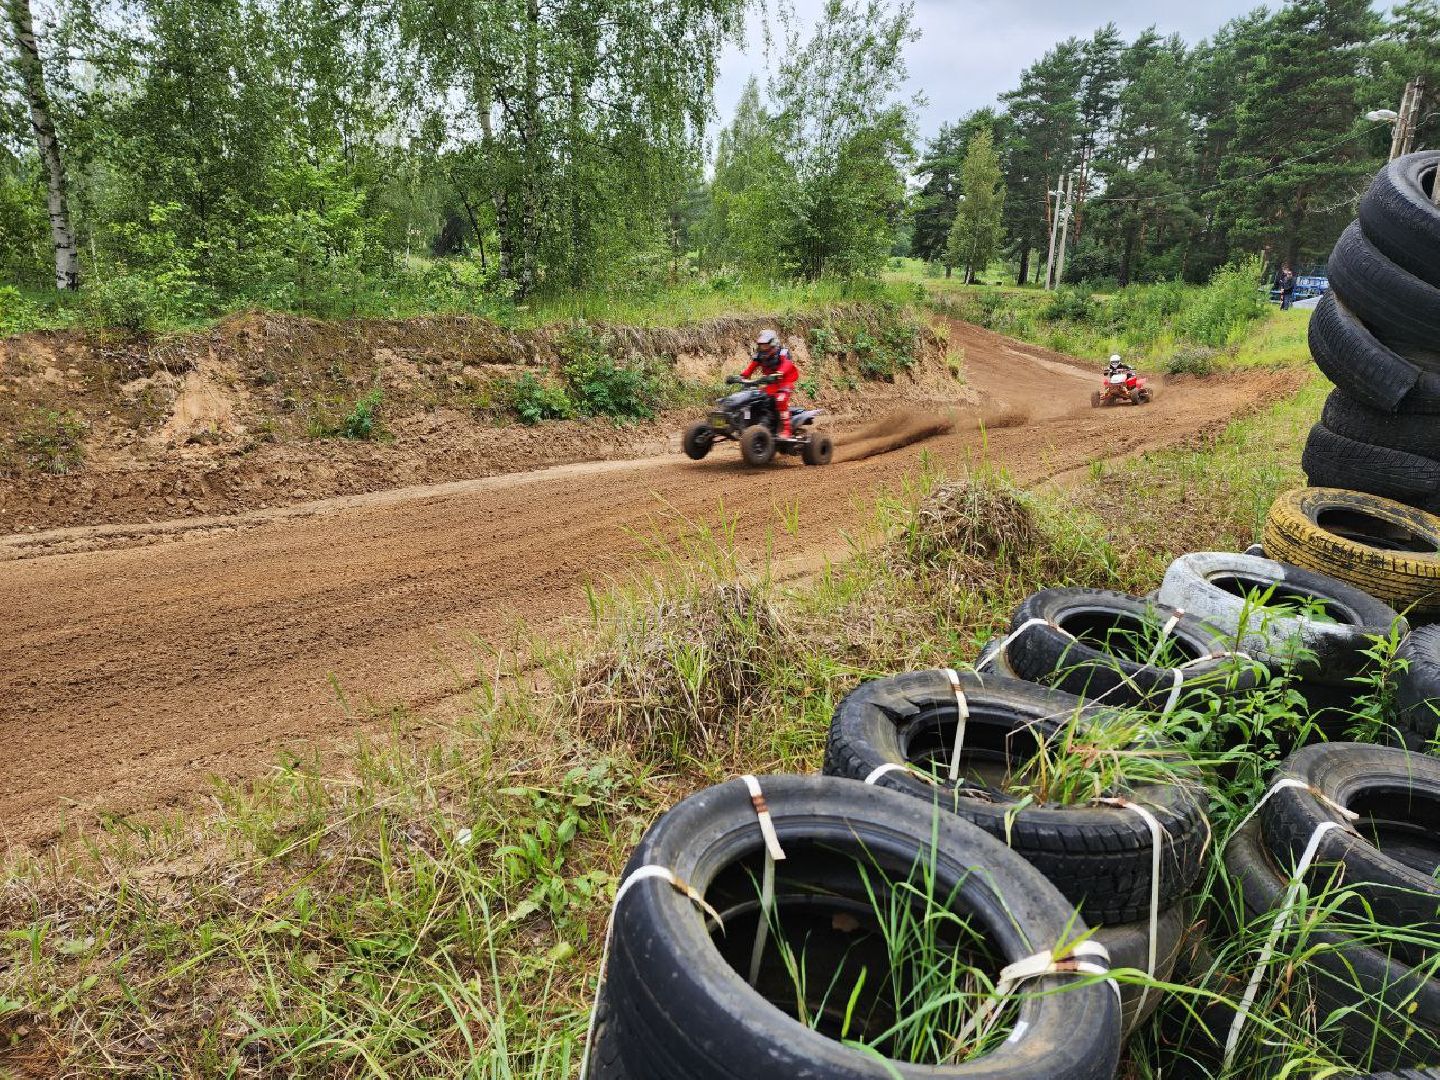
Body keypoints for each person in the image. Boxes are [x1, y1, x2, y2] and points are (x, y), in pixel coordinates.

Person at [742, 330, 801, 438]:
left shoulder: (783, 352)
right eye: (761, 345)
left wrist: (780, 372)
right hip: (771, 385)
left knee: (781, 399)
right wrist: (743, 375)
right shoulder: (760, 355)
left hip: (784, 383)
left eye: (765, 345)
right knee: (753, 398)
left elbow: (787, 364)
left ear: (773, 343)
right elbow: (751, 367)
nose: (763, 347)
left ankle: (786, 430)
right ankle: (754, 426)